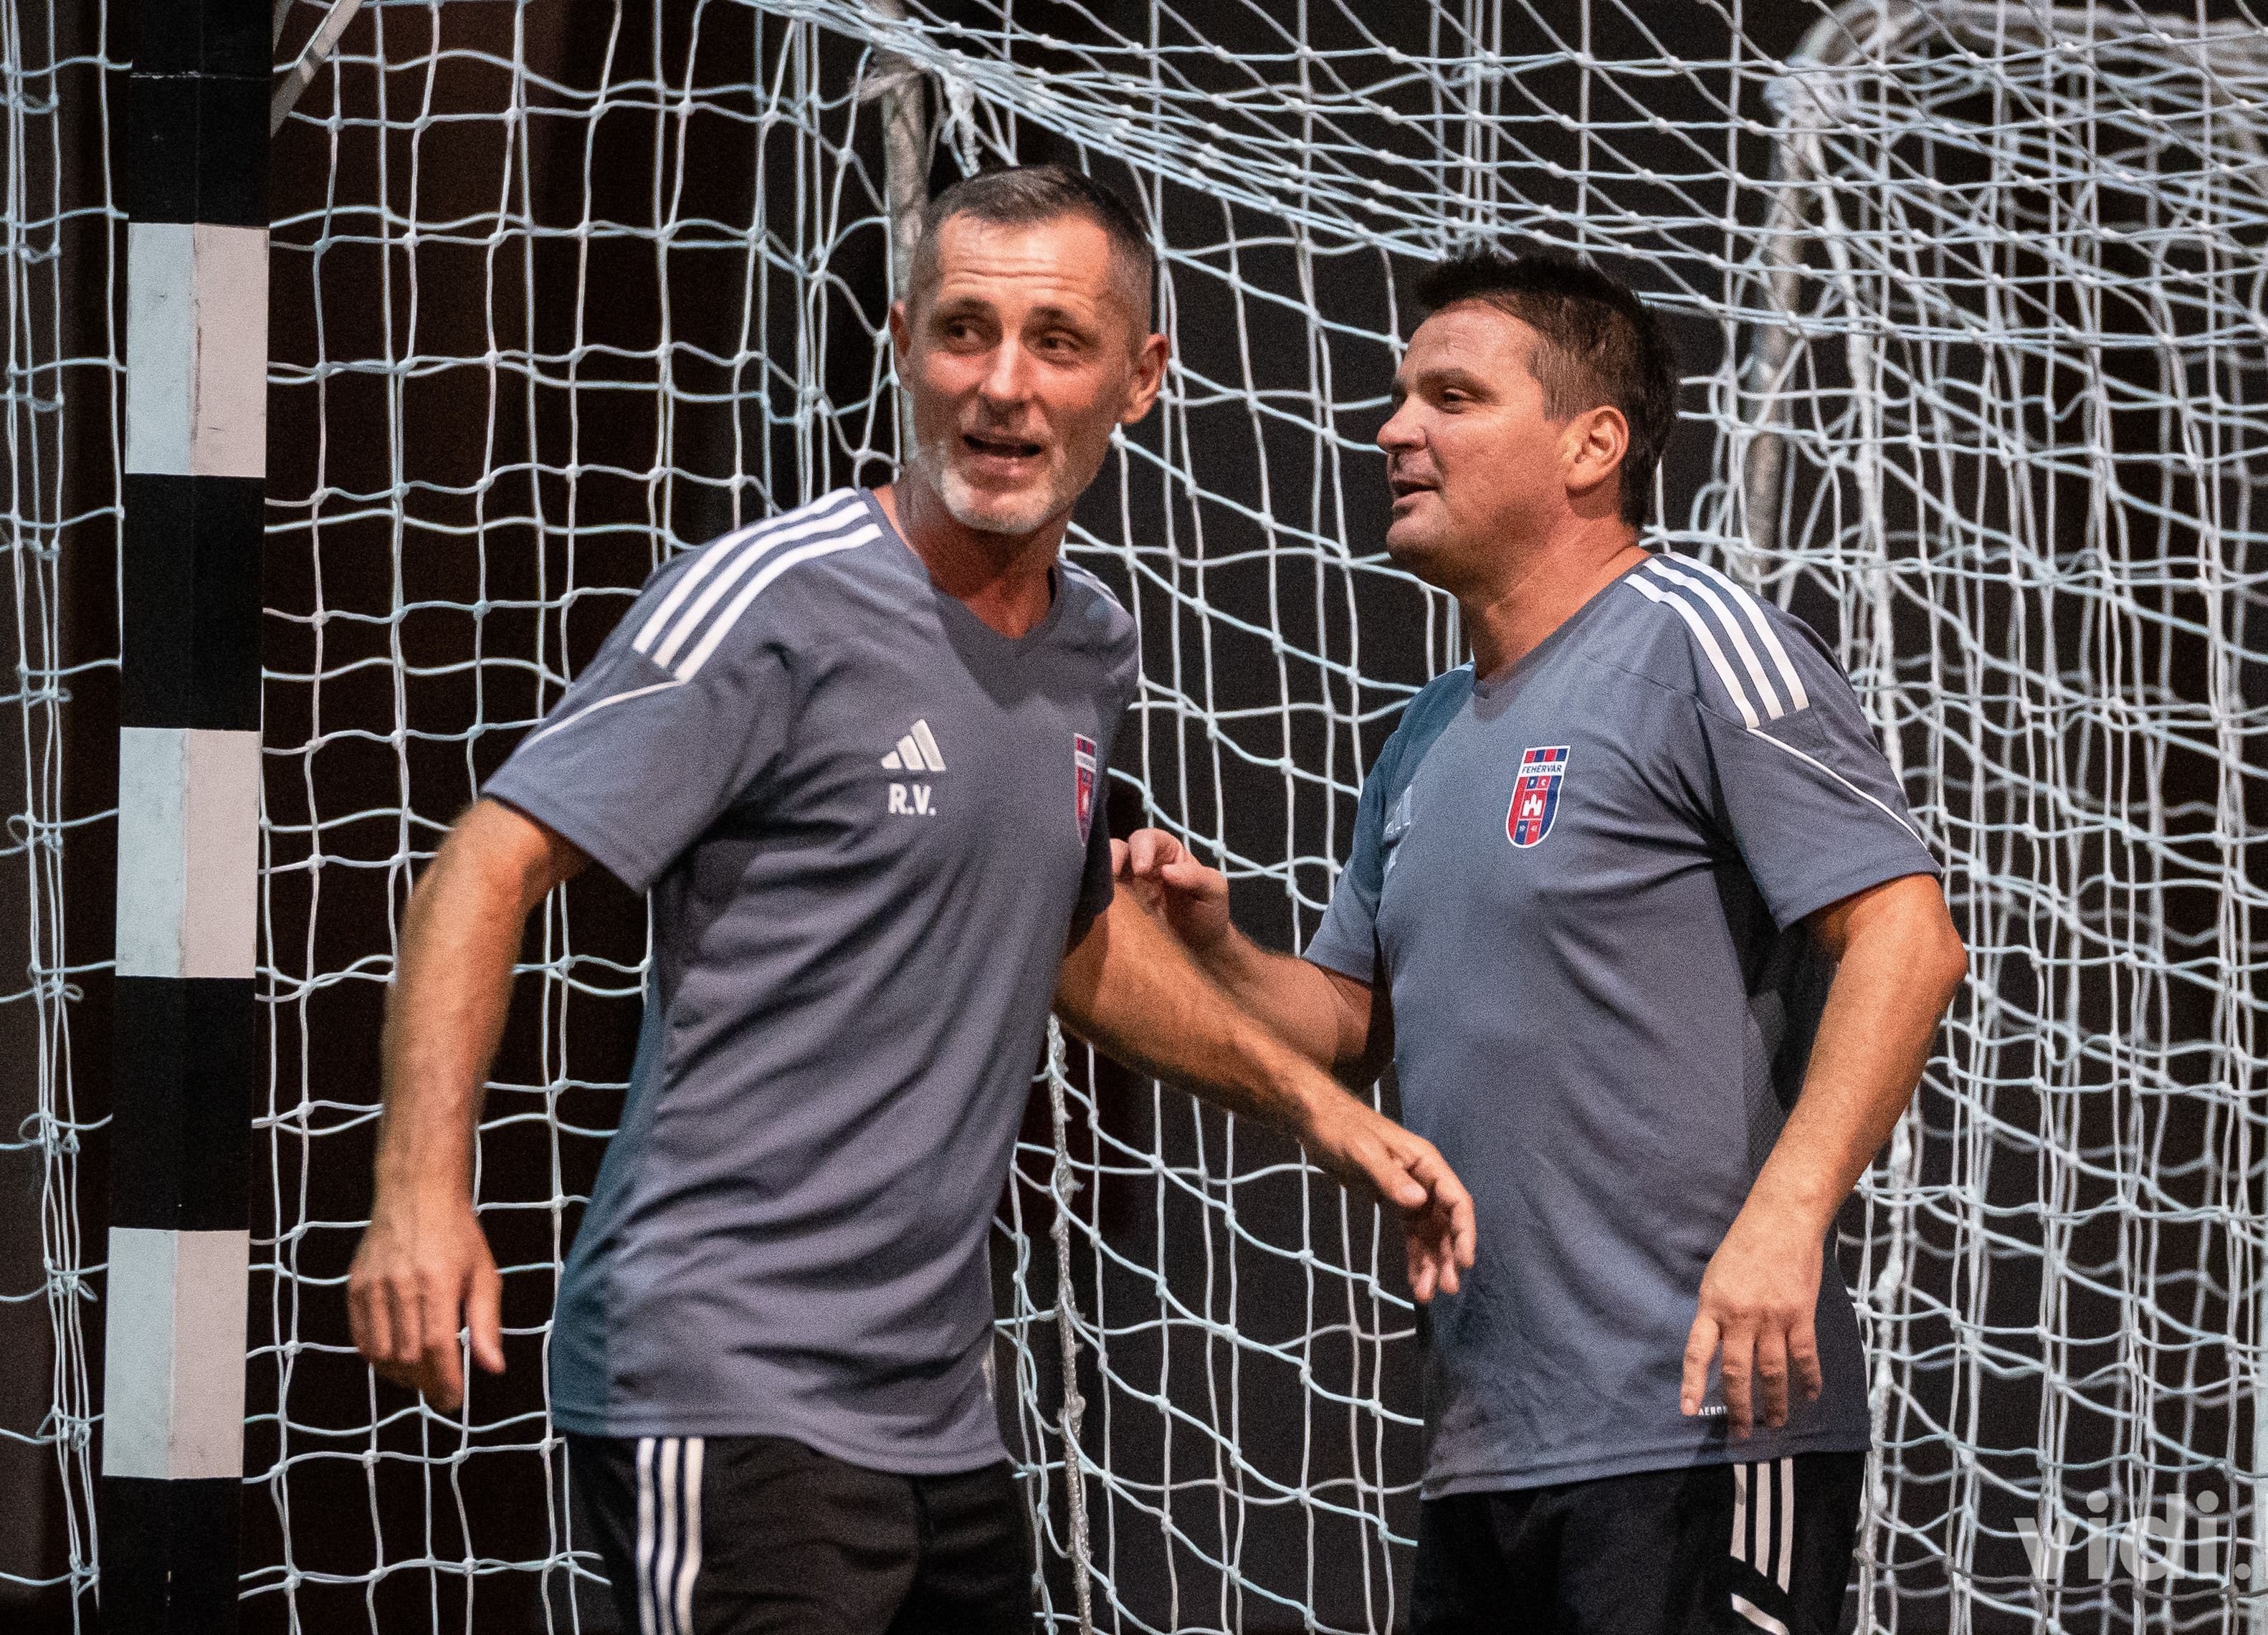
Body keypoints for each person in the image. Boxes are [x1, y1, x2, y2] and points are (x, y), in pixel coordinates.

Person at [346, 165, 1474, 1635]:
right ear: (900, 343)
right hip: (725, 1390)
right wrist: (418, 1195)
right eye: (962, 331)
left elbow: (1063, 937)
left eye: (1055, 342)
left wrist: (1311, 1104)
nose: (1002, 386)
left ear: (1138, 380)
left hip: (937, 1422)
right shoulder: (774, 600)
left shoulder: (1090, 644)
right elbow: (487, 861)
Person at [1114, 253, 1967, 1635]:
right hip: (1486, 1450)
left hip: (1702, 1424)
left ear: (1591, 444)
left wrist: (1785, 1221)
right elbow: (1342, 1026)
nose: (1395, 429)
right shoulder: (1423, 732)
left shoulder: (1700, 642)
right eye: (1401, 396)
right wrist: (1208, 944)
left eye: (1451, 397)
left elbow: (1908, 938)